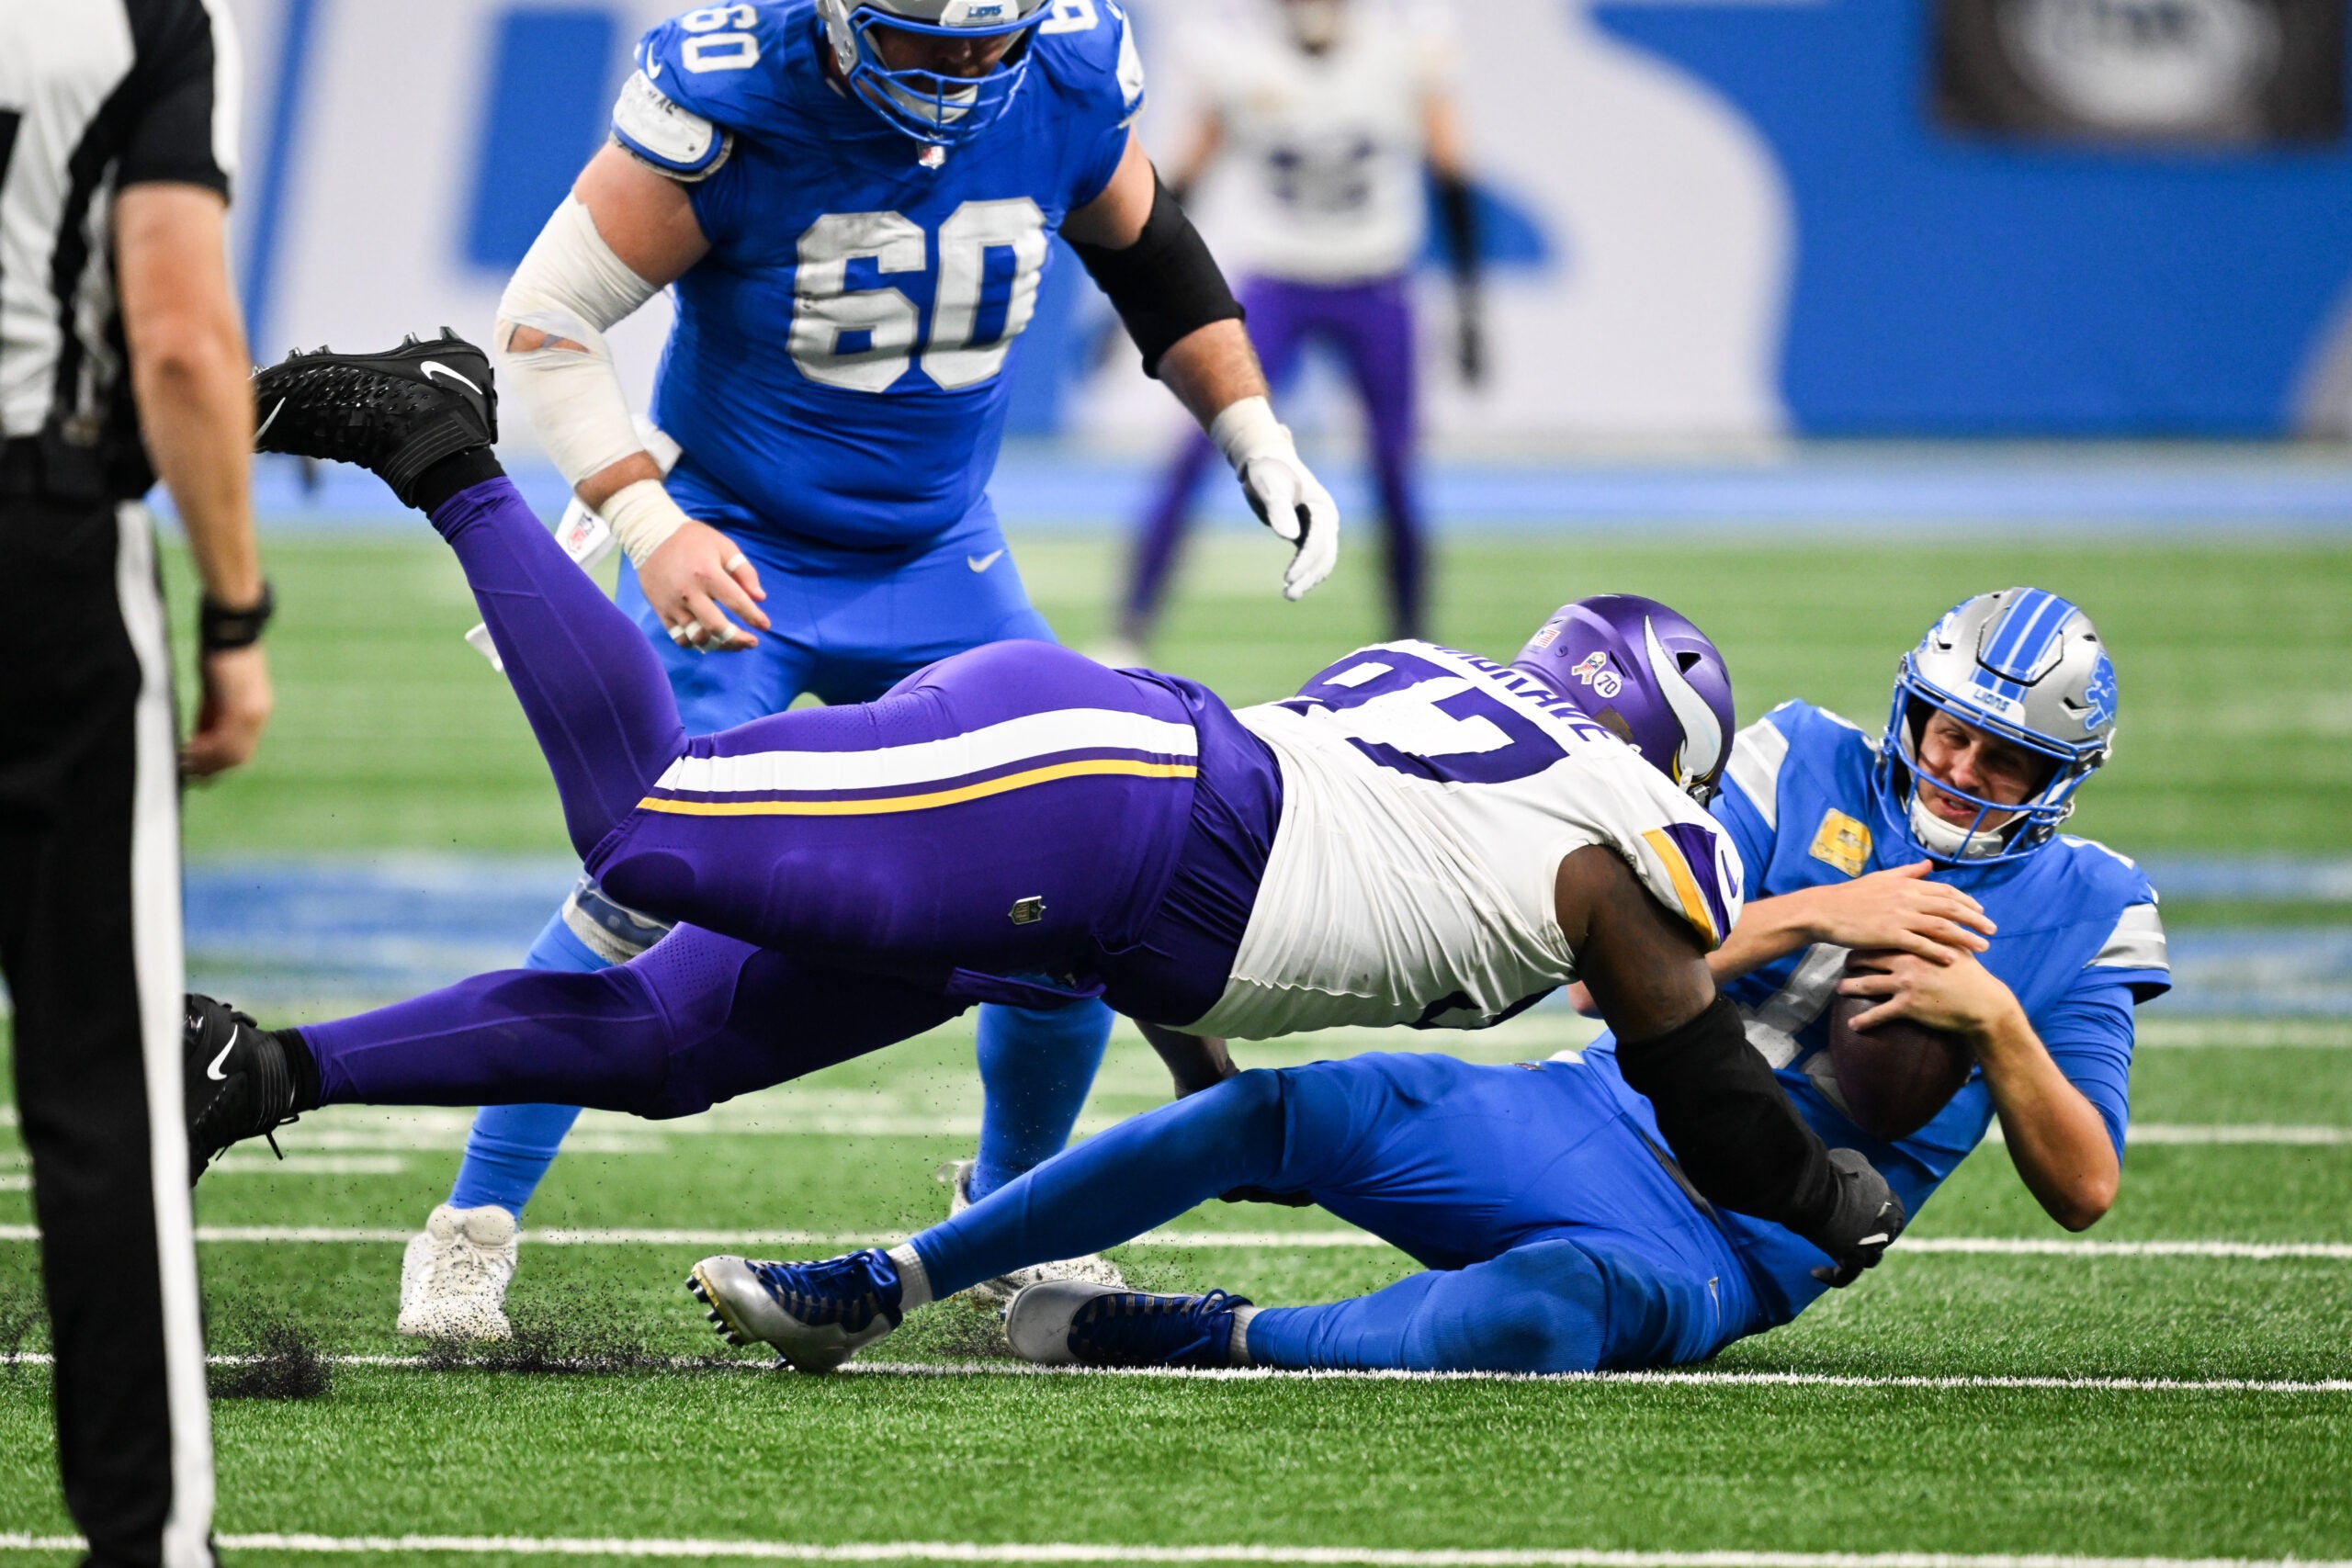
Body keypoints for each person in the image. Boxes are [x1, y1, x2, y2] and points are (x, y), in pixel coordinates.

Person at [187, 338, 1903, 1359]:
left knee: (663, 1048)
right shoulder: (1628, 830)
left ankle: (258, 1069)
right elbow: (1710, 1094)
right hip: (1097, 811)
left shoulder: (1459, 715)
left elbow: (1288, 862)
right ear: (1658, 760)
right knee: (649, 830)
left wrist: (1203, 1063)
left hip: (1098, 853)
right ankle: (444, 438)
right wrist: (1830, 1195)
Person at [401, 0, 1348, 1339]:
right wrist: (644, 519)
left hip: (940, 559)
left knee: (1060, 889)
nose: (965, 71)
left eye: (987, 45)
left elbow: (1152, 254)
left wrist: (1252, 427)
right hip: (732, 550)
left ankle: (1013, 1213)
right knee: (639, 885)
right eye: (930, 39)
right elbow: (550, 318)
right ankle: (472, 1225)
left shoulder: (1067, 64)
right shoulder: (739, 90)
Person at [707, 588, 2166, 1376]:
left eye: (2006, 757)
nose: (1961, 770)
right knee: (1285, 1115)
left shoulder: (2091, 908)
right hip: (1593, 1112)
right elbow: (1613, 983)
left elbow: (2085, 1183)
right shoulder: (1804, 756)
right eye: (1949, 732)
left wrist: (2001, 1028)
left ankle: (1205, 1335)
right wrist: (1811, 912)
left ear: (2062, 780)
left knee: (1548, 1311)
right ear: (1910, 708)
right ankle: (882, 1279)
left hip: (1746, 1246)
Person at [0, 2, 271, 1561]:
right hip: (39, 550)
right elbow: (177, 337)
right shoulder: (137, 16)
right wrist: (236, 606)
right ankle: (145, 1536)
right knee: (100, 1091)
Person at [1107, 0, 1481, 660]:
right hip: (1277, 280)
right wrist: (1131, 302)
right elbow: (1178, 188)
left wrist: (1471, 303)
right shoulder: (1234, 53)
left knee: (1394, 468)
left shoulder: (1405, 44)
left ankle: (1416, 643)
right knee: (1202, 448)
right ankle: (1130, 630)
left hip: (1376, 278)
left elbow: (1451, 171)